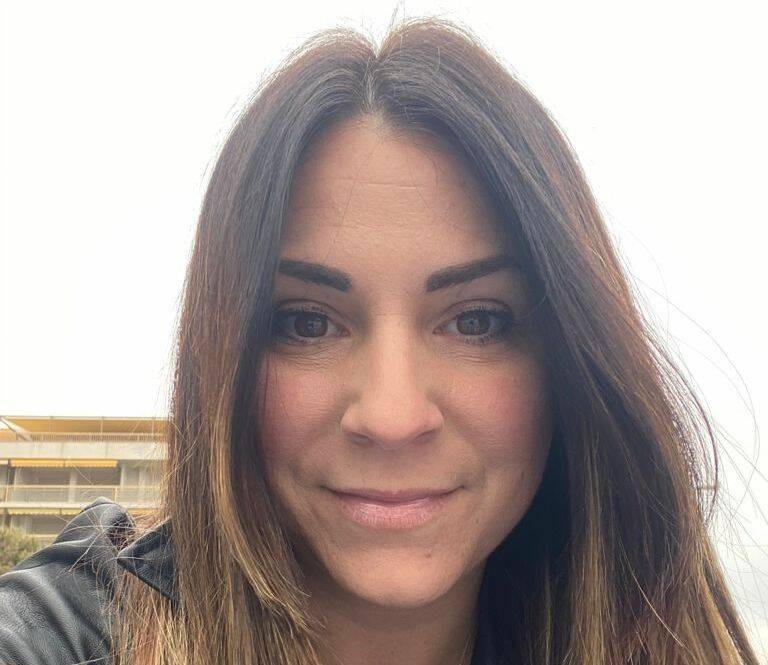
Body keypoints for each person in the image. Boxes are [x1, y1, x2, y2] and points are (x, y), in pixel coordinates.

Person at [0, 15, 759, 665]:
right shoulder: (65, 638)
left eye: (476, 320)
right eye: (307, 322)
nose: (392, 417)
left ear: (568, 360)